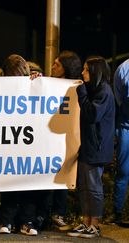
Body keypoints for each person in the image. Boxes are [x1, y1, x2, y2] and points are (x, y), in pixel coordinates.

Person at [67, 56, 115, 238]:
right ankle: (86, 221)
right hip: (88, 146)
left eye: (86, 69)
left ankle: (95, 224)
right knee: (85, 187)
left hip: (97, 148)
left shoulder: (104, 91)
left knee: (93, 187)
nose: (82, 72)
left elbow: (91, 114)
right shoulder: (96, 90)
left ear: (95, 71)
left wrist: (81, 92)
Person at [36, 50, 82, 231]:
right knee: (46, 176)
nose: (53, 67)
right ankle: (43, 214)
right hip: (46, 138)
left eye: (57, 64)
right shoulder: (48, 83)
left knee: (61, 175)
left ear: (66, 68)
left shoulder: (75, 87)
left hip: (64, 139)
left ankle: (58, 214)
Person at [0, 54, 38, 236]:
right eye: (12, 76)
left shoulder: (33, 82)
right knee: (10, 182)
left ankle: (27, 222)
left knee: (28, 183)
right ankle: (6, 221)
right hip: (8, 141)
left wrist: (40, 82)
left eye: (20, 76)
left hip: (28, 141)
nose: (17, 80)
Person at [110, 58, 129, 225]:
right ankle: (117, 212)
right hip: (126, 127)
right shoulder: (124, 69)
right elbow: (120, 100)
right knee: (123, 171)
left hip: (125, 126)